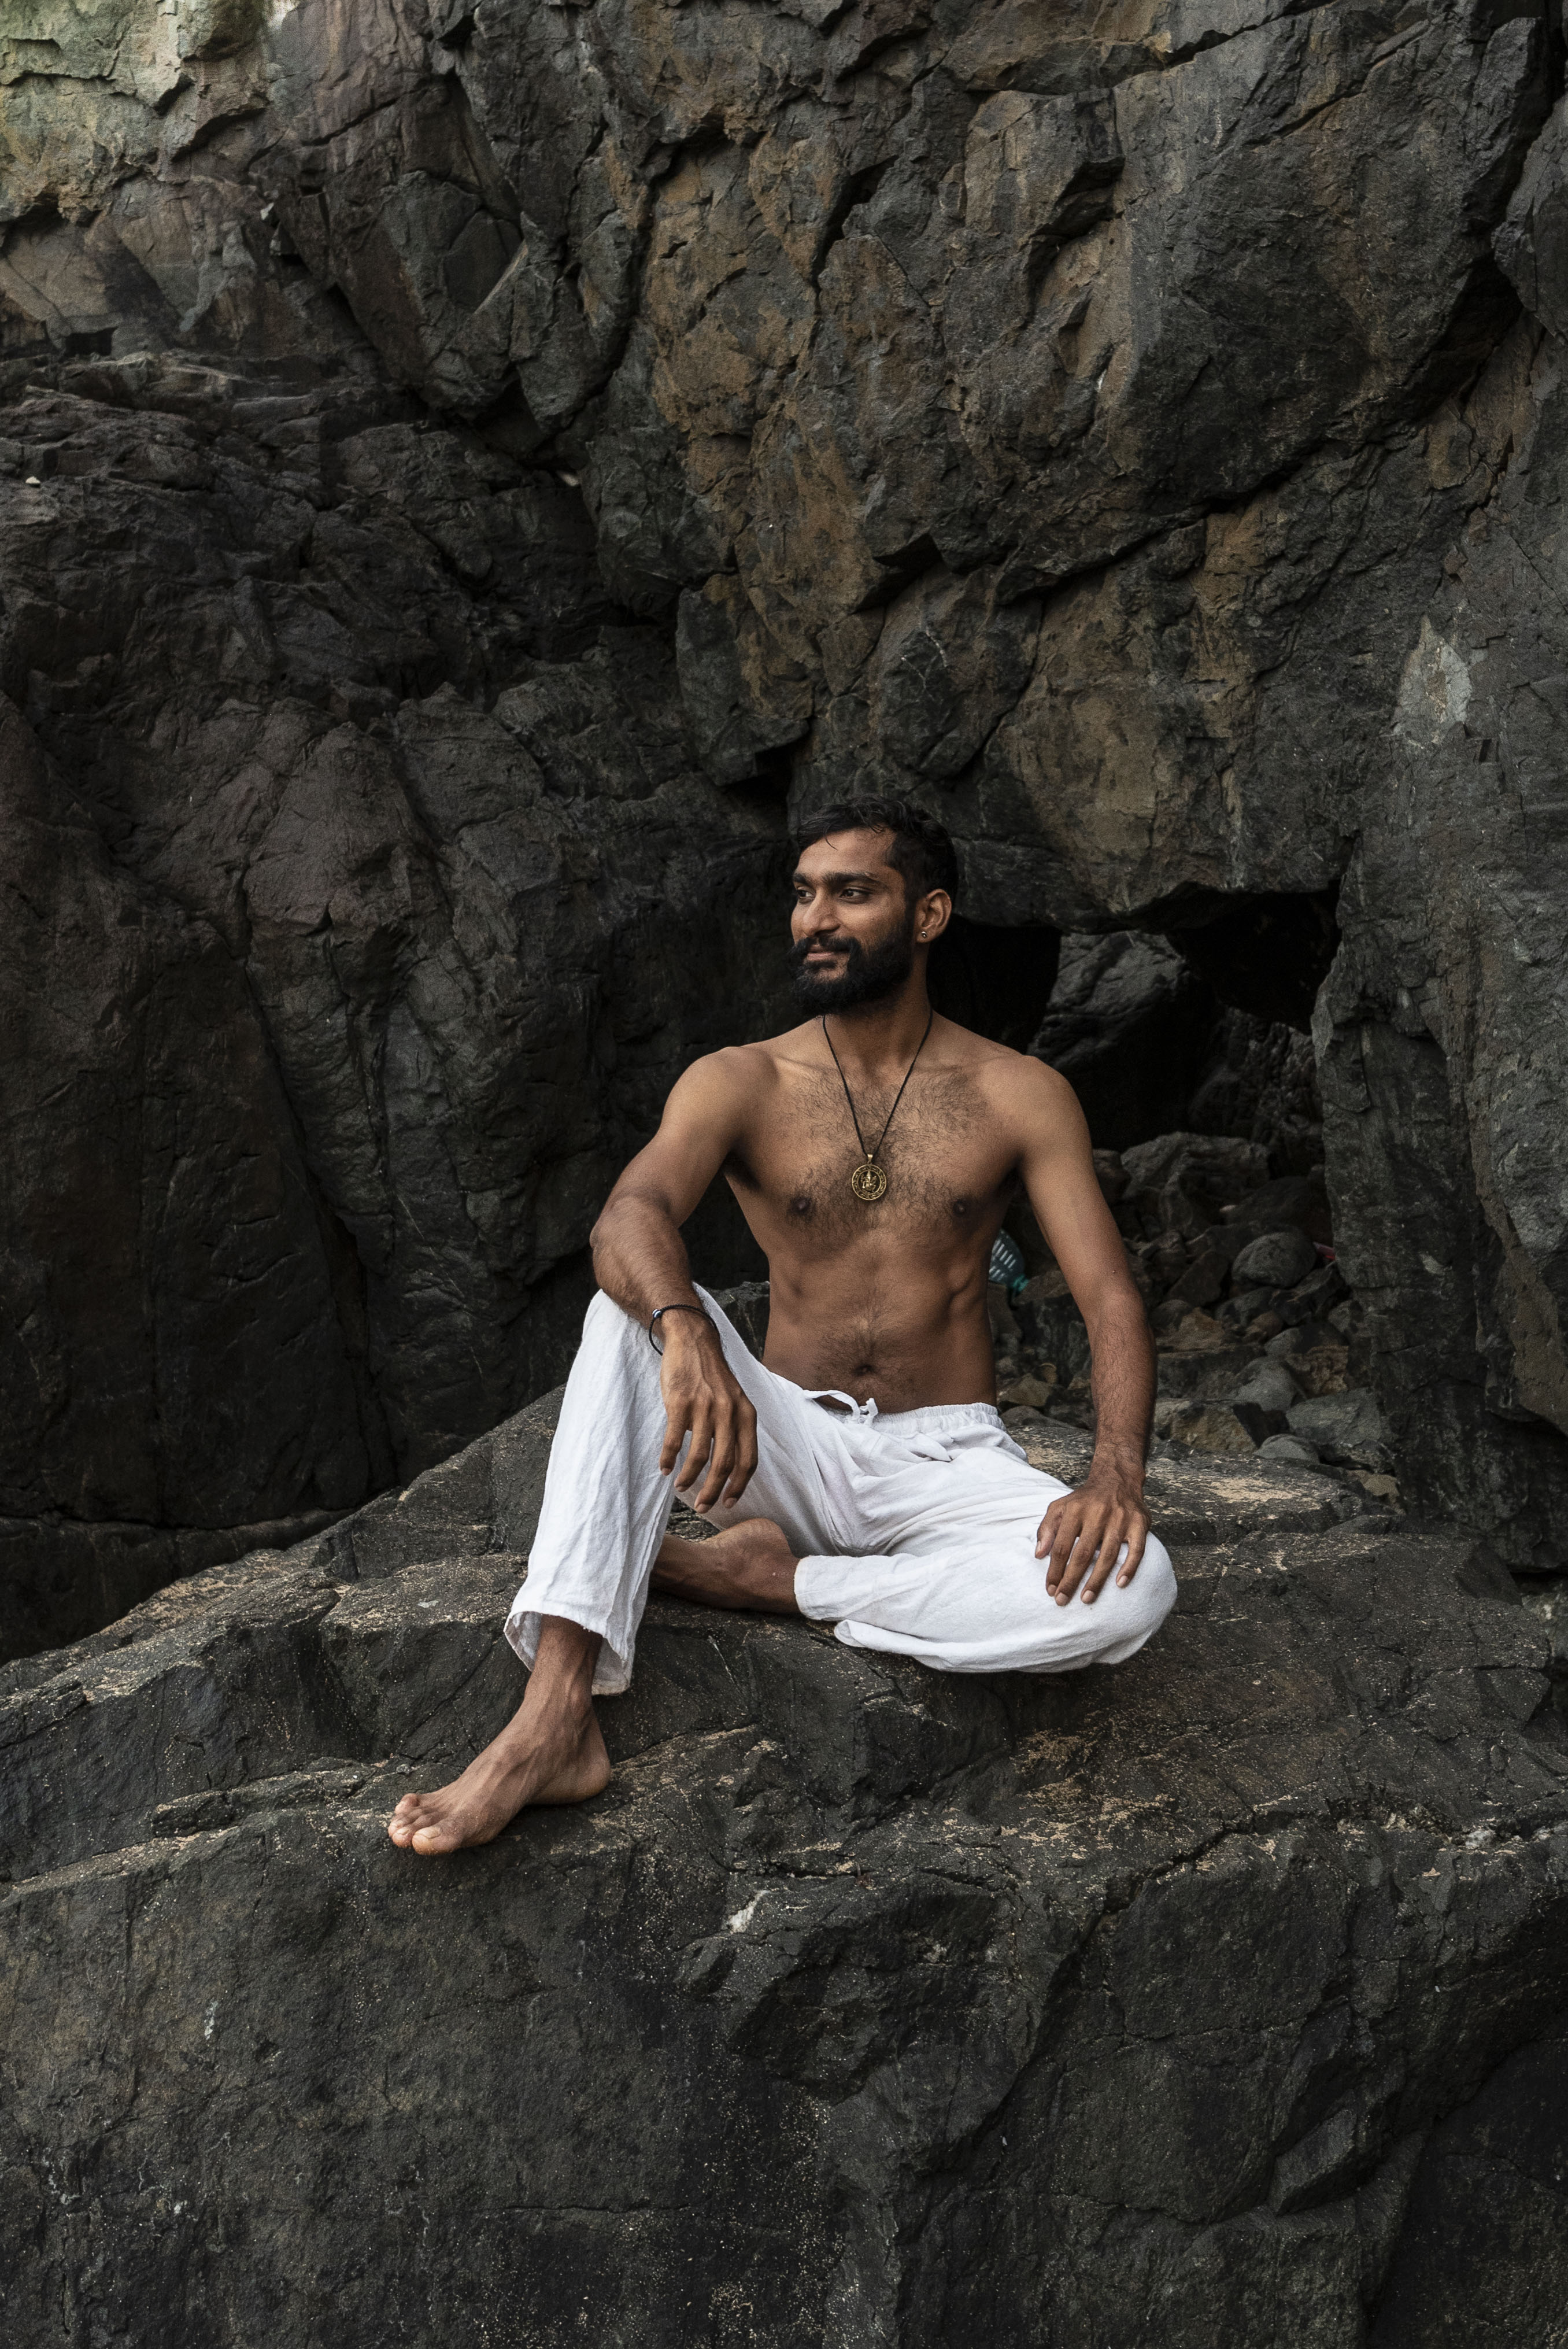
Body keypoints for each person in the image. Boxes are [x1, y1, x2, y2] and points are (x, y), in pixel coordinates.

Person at [389, 799, 1175, 1855]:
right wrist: (690, 1332)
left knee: (1134, 1589)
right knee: (621, 1315)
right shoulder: (742, 1079)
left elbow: (1109, 1296)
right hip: (781, 1441)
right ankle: (555, 1715)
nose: (816, 918)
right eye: (804, 894)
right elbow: (628, 1216)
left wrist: (1114, 1472)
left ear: (930, 913)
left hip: (948, 1459)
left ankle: (770, 1579)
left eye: (853, 892)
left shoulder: (1019, 1094)